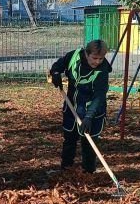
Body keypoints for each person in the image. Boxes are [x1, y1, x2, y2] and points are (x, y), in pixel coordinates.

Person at [48, 39, 112, 172]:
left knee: (89, 142)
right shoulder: (73, 56)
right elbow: (58, 65)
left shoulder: (103, 69)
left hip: (93, 108)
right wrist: (55, 73)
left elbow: (100, 95)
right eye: (94, 58)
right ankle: (66, 169)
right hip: (72, 105)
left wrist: (89, 116)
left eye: (101, 58)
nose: (97, 62)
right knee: (69, 139)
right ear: (86, 53)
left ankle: (89, 173)